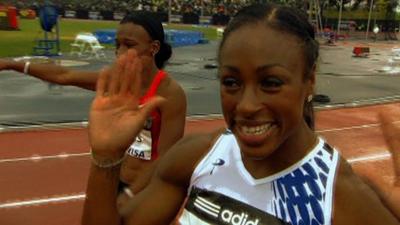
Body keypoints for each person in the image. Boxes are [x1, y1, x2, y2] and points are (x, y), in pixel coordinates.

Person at [86, 3, 399, 225]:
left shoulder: (334, 194)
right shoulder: (197, 156)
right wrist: (105, 159)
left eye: (271, 83)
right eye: (232, 82)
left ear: (310, 81)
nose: (246, 105)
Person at [0, 11, 186, 224]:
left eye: (129, 45)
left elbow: (167, 158)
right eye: (118, 44)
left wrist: (131, 194)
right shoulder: (117, 83)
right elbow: (64, 76)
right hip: (116, 181)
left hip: (146, 189)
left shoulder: (171, 94)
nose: (120, 52)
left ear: (153, 48)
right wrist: (13, 64)